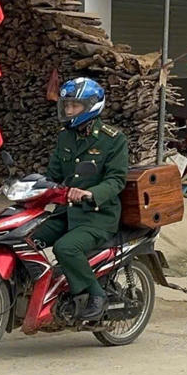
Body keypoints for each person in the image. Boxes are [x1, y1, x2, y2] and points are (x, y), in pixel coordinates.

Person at [35, 77, 129, 321]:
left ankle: (97, 295)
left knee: (65, 247)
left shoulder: (113, 139)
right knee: (27, 237)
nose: (68, 110)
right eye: (66, 105)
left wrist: (91, 193)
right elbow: (53, 174)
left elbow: (116, 180)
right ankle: (37, 290)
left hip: (97, 216)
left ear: (91, 106)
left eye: (74, 106)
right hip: (65, 212)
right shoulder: (65, 137)